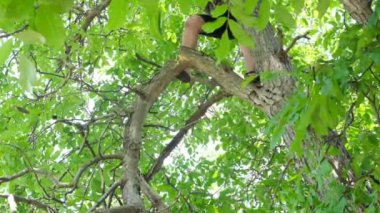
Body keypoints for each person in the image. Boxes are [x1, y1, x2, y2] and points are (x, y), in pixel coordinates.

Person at [177, 0, 255, 83]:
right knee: (193, 21)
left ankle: (252, 73)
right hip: (222, 20)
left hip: (242, 13)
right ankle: (184, 66)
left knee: (244, 32)